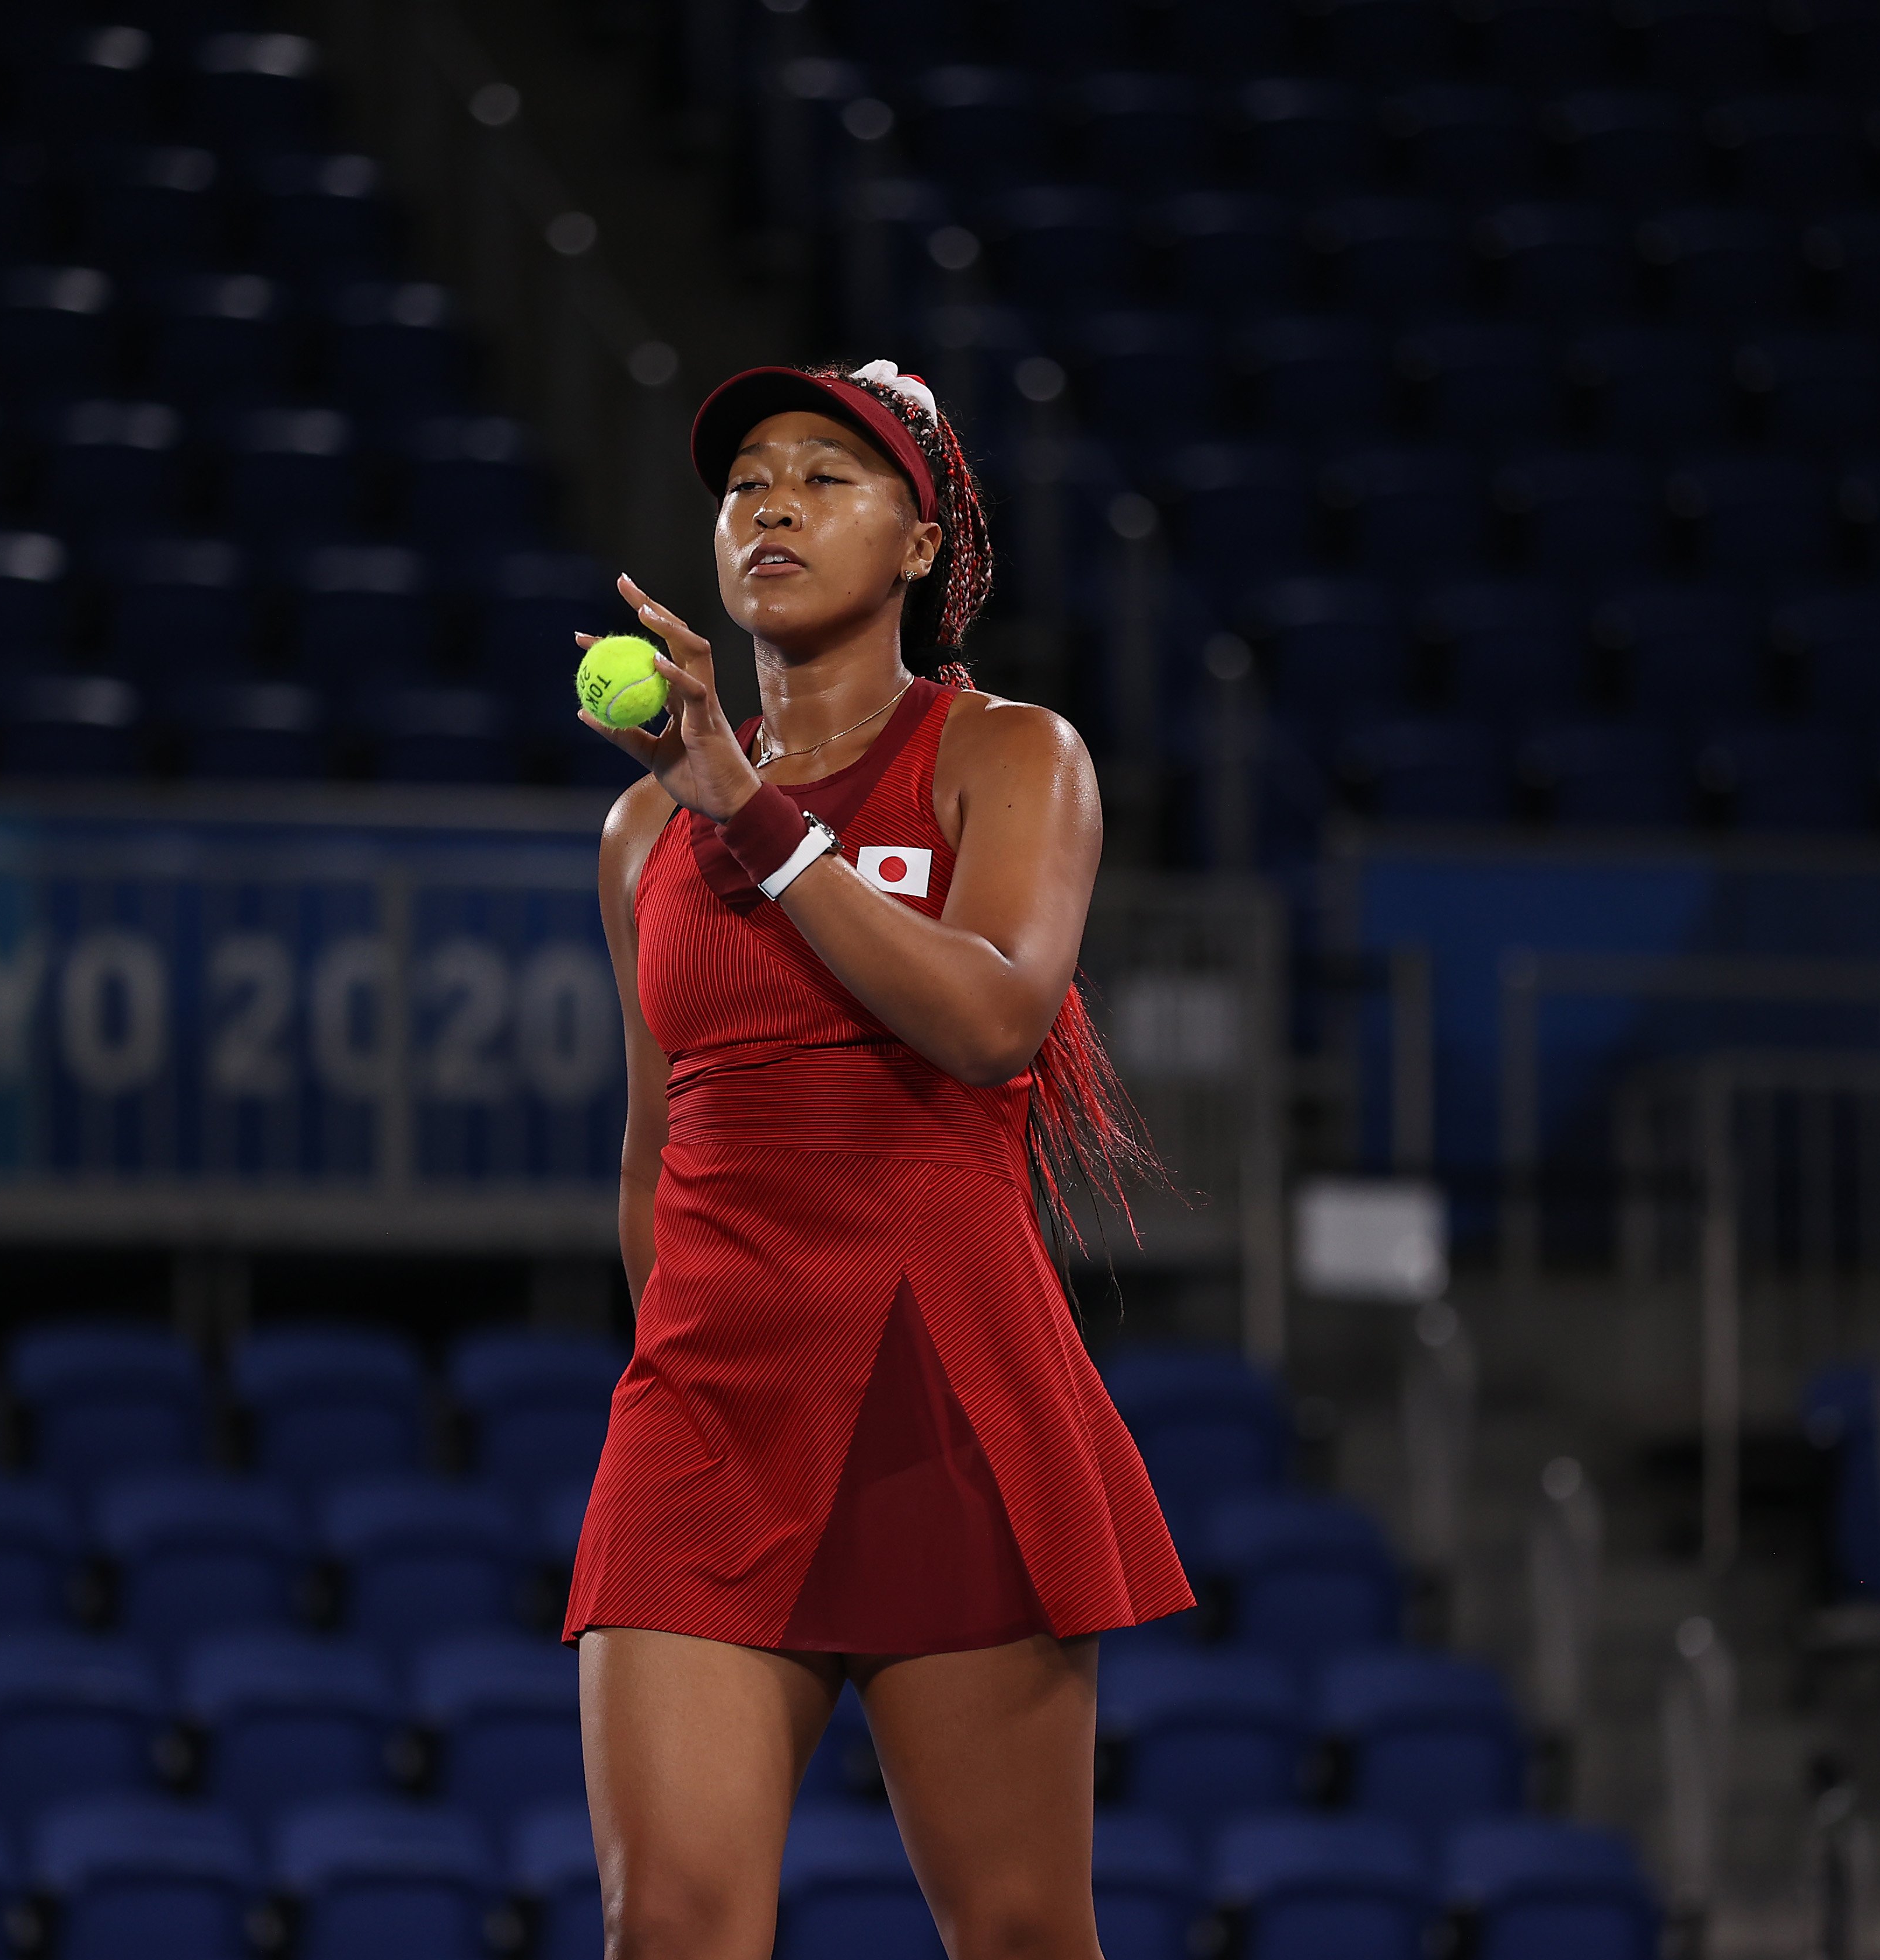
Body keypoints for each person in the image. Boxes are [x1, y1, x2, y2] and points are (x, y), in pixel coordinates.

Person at [566, 359, 1194, 1960]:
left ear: (921, 545)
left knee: (1020, 1933)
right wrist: (689, 1371)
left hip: (945, 1392)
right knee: (672, 1928)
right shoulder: (642, 832)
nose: (769, 501)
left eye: (822, 477)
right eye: (745, 481)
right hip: (711, 1409)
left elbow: (991, 1019)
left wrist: (755, 817)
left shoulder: (1012, 757)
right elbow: (650, 1155)